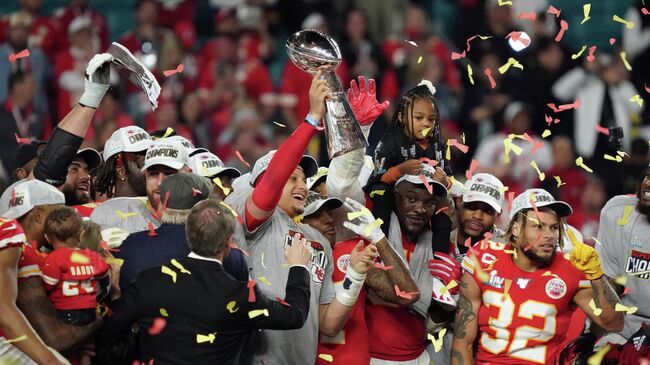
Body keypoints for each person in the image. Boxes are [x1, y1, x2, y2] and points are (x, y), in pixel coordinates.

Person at [225, 71, 371, 364]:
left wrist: (355, 274)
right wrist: (312, 118)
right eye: (292, 178)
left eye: (304, 179)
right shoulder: (252, 219)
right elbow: (269, 187)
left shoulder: (318, 241)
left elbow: (328, 324)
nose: (303, 186)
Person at [97, 199, 314, 364]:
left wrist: (115, 292)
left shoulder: (149, 281)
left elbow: (107, 329)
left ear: (189, 234)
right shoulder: (241, 296)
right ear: (229, 242)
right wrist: (299, 266)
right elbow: (295, 315)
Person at [452, 188, 624, 365]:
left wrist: (596, 276)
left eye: (554, 228)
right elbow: (463, 342)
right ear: (516, 229)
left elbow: (615, 323)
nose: (549, 235)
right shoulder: (484, 258)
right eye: (539, 227)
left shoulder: (570, 268)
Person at [299, 191, 418, 364]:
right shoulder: (288, 260)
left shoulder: (350, 254)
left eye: (329, 213)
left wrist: (379, 238)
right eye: (317, 215)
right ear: (299, 223)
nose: (329, 219)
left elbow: (409, 294)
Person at [0, 179, 96, 364]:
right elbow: (55, 339)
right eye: (60, 214)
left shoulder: (43, 253)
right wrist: (97, 319)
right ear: (38, 214)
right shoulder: (25, 252)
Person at [115, 173, 249, 291]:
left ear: (162, 205)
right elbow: (243, 302)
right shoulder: (224, 252)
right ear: (204, 209)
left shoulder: (128, 247)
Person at [368, 79, 452, 255]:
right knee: (382, 198)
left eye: (431, 119)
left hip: (427, 196)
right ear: (401, 117)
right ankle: (379, 252)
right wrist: (400, 170)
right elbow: (378, 177)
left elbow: (449, 179)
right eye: (419, 118)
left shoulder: (438, 147)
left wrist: (444, 180)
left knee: (443, 220)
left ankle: (440, 267)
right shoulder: (390, 141)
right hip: (392, 192)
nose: (426, 124)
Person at [595, 165, 650, 340]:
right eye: (647, 176)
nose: (648, 184)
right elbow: (611, 284)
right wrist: (591, 332)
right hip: (627, 323)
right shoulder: (618, 214)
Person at [90, 137, 187, 233]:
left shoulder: (194, 210)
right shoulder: (105, 214)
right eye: (152, 172)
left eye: (169, 173)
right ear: (121, 171)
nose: (160, 182)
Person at [40, 207, 109, 325]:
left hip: (65, 312)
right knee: (88, 339)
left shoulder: (54, 258)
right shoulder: (91, 256)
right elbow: (103, 272)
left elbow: (47, 285)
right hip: (90, 311)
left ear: (47, 238)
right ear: (81, 235)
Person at [93, 125, 152, 199]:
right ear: (121, 172)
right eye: (144, 165)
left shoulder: (165, 207)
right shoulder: (99, 210)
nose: (154, 171)